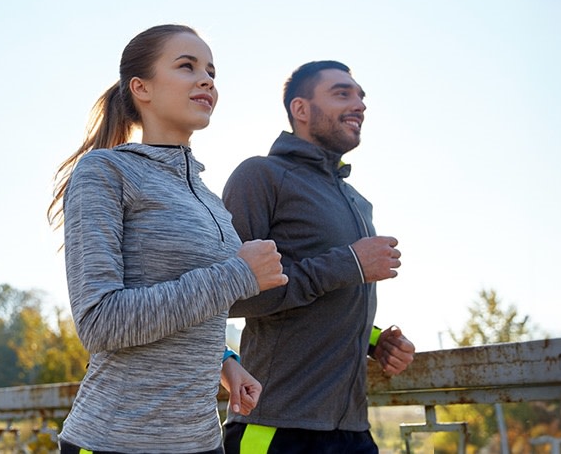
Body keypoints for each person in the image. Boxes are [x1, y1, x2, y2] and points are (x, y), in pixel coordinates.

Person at [47, 24, 288, 454]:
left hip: (200, 442)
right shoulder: (105, 172)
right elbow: (101, 322)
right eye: (186, 66)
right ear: (141, 87)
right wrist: (239, 275)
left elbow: (192, 307)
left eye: (212, 71)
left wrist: (226, 363)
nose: (207, 80)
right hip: (113, 441)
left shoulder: (209, 199)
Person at [218, 60, 417, 453]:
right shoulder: (260, 176)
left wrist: (374, 341)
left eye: (361, 96)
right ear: (301, 109)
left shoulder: (358, 201)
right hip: (274, 429)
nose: (359, 104)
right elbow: (227, 297)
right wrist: (349, 264)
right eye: (342, 93)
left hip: (354, 432)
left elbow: (320, 302)